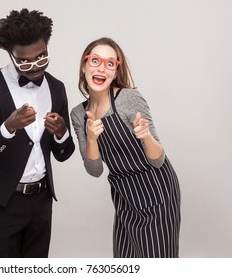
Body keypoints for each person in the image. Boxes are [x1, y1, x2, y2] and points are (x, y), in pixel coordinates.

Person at [0, 8, 75, 258]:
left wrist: (62, 133)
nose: (35, 67)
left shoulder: (56, 88)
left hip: (41, 201)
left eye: (41, 57)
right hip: (2, 203)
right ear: (11, 55)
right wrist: (8, 127)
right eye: (25, 61)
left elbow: (63, 154)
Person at [71, 37, 181, 258]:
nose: (102, 67)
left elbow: (157, 160)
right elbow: (95, 170)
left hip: (157, 190)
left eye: (110, 63)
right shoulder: (78, 114)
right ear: (84, 66)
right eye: (95, 60)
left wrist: (147, 136)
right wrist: (91, 138)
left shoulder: (128, 99)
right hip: (125, 195)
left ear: (114, 72)